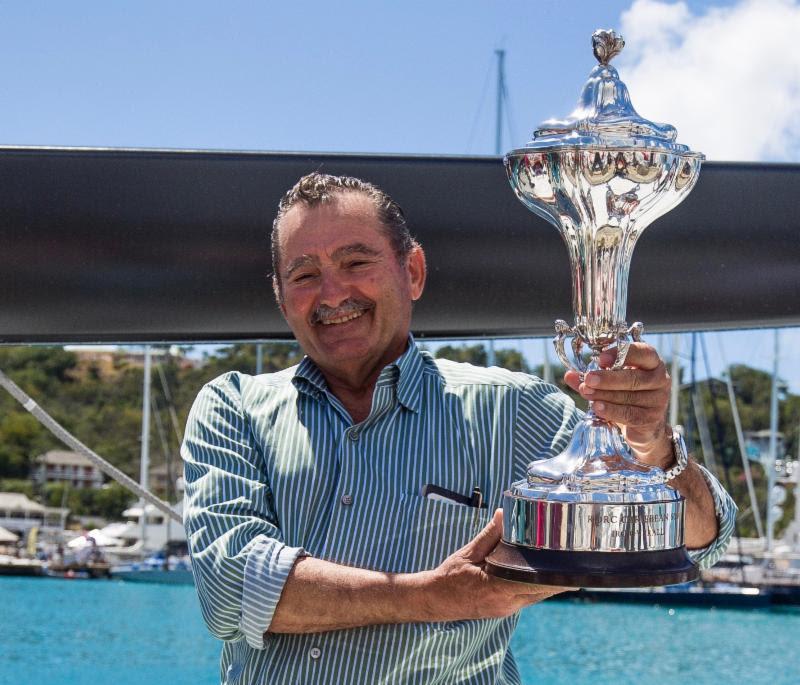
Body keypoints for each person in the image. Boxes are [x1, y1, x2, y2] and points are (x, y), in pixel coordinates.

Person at [182, 172, 736, 684]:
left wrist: (650, 444)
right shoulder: (232, 408)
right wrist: (434, 598)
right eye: (305, 275)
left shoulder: (515, 409)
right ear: (281, 298)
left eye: (356, 263)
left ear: (414, 272)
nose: (332, 294)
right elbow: (230, 591)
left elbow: (701, 540)